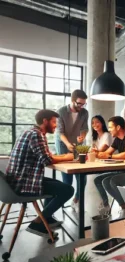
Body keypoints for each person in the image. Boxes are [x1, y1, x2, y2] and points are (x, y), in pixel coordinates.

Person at [5, 110, 74, 238]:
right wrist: (68, 157)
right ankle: (37, 223)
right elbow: (47, 159)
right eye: (54, 122)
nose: (55, 125)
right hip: (23, 184)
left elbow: (46, 156)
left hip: (16, 181)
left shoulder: (30, 132)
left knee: (58, 184)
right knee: (68, 190)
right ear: (45, 121)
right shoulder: (36, 135)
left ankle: (45, 219)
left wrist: (64, 156)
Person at [55, 89, 89, 213]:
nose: (81, 106)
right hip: (63, 143)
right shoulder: (61, 111)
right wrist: (68, 144)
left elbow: (85, 128)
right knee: (67, 178)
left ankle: (76, 200)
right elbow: (60, 132)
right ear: (72, 100)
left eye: (84, 103)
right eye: (79, 103)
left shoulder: (85, 112)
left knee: (82, 177)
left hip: (78, 144)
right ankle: (64, 200)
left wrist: (83, 136)